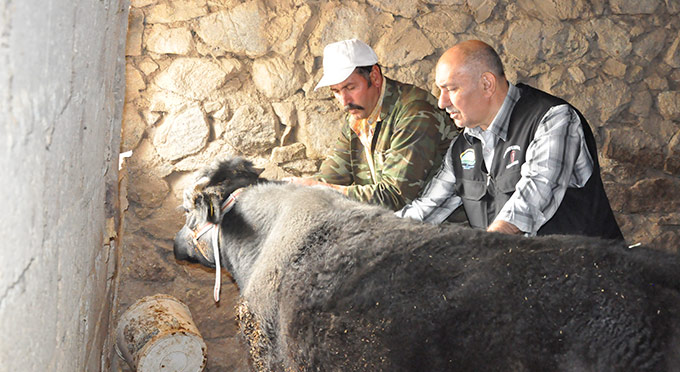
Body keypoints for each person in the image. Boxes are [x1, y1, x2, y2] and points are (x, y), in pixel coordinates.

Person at [397, 40, 623, 240]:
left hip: (588, 277)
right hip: (521, 277)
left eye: (451, 89)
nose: (441, 102)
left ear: (487, 84)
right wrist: (376, 236)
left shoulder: (552, 119)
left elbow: (528, 206)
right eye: (440, 90)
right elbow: (426, 210)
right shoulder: (463, 146)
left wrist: (481, 255)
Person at [289, 39, 456, 211]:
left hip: (442, 228)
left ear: (375, 77)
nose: (344, 101)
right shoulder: (358, 116)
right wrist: (294, 191)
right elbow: (331, 176)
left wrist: (322, 190)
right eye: (336, 92)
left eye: (351, 87)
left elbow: (394, 196)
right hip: (401, 224)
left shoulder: (415, 113)